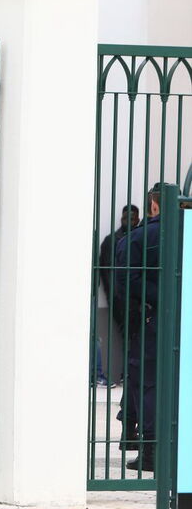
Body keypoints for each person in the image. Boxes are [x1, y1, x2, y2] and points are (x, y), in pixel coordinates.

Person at [115, 185, 163, 473]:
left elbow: (124, 281)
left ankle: (150, 451)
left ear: (153, 206)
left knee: (146, 383)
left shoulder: (140, 237)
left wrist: (153, 300)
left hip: (151, 320)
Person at [97, 204, 139, 386]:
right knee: (130, 336)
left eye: (132, 218)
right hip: (122, 299)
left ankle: (130, 374)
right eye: (125, 218)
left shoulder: (138, 237)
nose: (128, 221)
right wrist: (116, 298)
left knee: (135, 337)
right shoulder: (111, 241)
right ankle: (127, 374)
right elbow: (108, 275)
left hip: (135, 298)